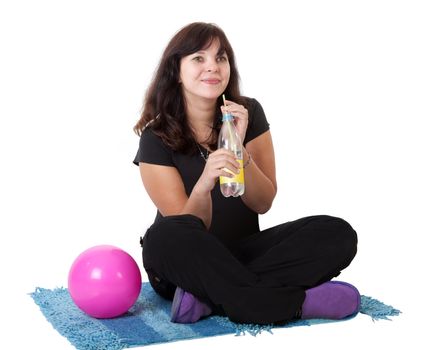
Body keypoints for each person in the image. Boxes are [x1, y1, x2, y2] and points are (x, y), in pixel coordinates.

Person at [133, 22, 360, 325]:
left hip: (244, 254)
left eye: (221, 57)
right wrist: (204, 183)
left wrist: (241, 154)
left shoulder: (248, 112)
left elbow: (263, 203)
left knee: (337, 233)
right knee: (163, 236)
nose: (212, 67)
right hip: (185, 263)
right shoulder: (156, 136)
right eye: (199, 58)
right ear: (176, 70)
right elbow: (187, 229)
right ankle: (295, 305)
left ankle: (210, 300)